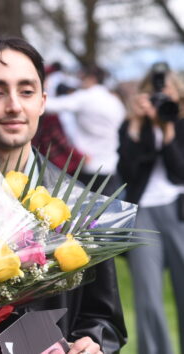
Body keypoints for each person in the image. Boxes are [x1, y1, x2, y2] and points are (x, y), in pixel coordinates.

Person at [0, 37, 125, 354]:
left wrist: (93, 342)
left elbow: (105, 320)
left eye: (26, 92)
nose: (14, 105)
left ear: (42, 100)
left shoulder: (81, 204)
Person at [117, 62, 184, 354]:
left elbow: (180, 172)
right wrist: (134, 124)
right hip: (143, 211)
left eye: (167, 94)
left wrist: (168, 129)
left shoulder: (179, 123)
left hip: (178, 210)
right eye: (155, 94)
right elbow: (127, 173)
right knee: (148, 296)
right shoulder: (133, 125)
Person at [44, 64, 126, 195]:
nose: (79, 82)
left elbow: (49, 106)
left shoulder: (85, 97)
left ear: (91, 78)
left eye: (82, 78)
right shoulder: (115, 102)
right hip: (110, 165)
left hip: (87, 166)